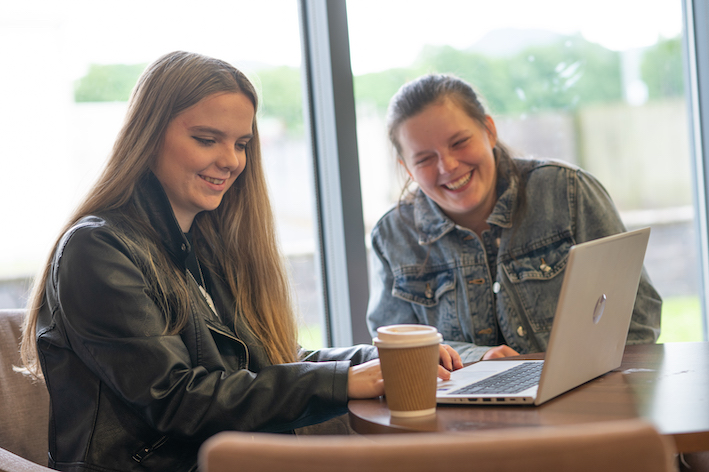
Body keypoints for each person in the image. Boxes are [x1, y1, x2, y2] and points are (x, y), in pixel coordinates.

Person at [19, 52, 461, 472]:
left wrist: (376, 360)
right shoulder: (97, 250)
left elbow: (262, 363)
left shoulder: (201, 246)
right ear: (148, 135)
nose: (231, 161)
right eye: (207, 139)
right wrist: (345, 382)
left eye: (242, 143)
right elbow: (177, 400)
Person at [366, 73, 662, 364]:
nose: (448, 166)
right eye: (424, 159)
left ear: (489, 130)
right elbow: (395, 349)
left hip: (581, 398)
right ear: (407, 168)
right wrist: (477, 357)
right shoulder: (392, 235)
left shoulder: (567, 190)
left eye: (459, 142)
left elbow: (637, 317)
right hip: (456, 411)